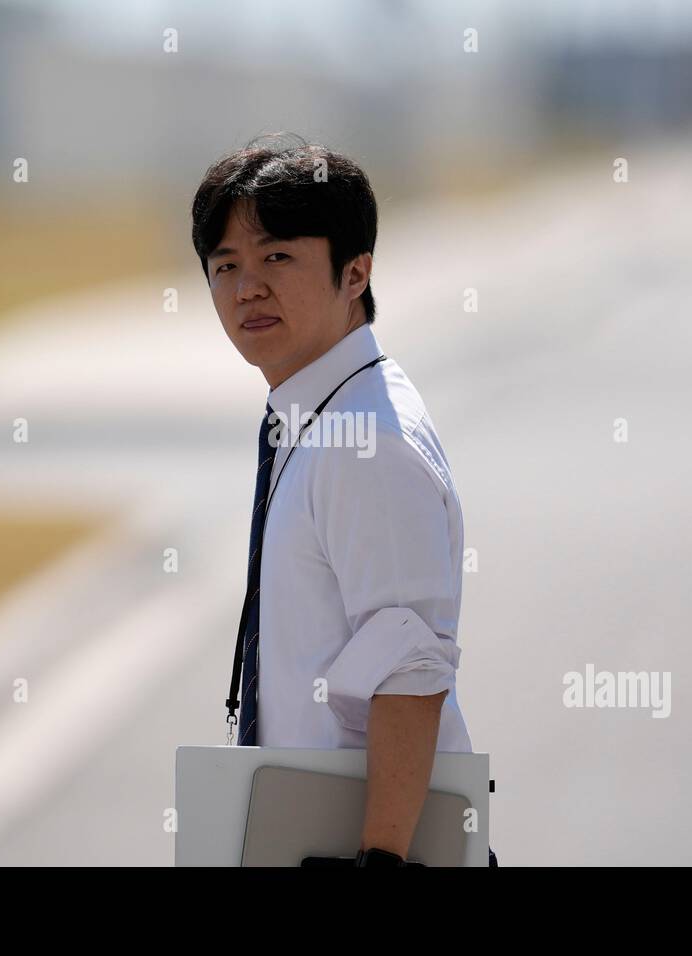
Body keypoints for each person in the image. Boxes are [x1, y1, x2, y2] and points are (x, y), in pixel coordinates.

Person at [191, 134, 497, 867]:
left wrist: (380, 861)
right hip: (313, 833)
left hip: (372, 850)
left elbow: (410, 674)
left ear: (355, 271)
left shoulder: (367, 442)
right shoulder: (318, 413)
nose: (246, 289)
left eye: (276, 257)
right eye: (225, 266)